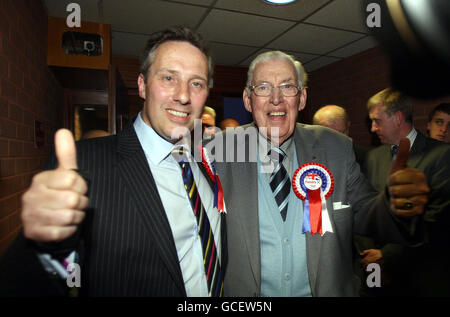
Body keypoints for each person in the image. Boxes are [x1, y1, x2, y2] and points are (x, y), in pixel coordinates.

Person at [0, 27, 226, 297]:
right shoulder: (88, 163)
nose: (184, 95)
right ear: (142, 85)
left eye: (196, 83)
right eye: (169, 78)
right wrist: (42, 245)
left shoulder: (208, 162)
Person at [212, 51, 430, 297]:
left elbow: (367, 212)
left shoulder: (334, 147)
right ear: (248, 99)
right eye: (263, 87)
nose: (276, 99)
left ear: (302, 98)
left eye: (287, 86)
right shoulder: (220, 151)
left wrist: (397, 204)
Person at [362, 88, 450, 296]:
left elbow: (438, 220)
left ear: (398, 118)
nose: (373, 128)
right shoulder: (373, 157)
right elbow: (366, 208)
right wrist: (369, 258)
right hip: (374, 272)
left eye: (377, 121)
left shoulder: (441, 156)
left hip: (420, 275)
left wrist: (386, 256)